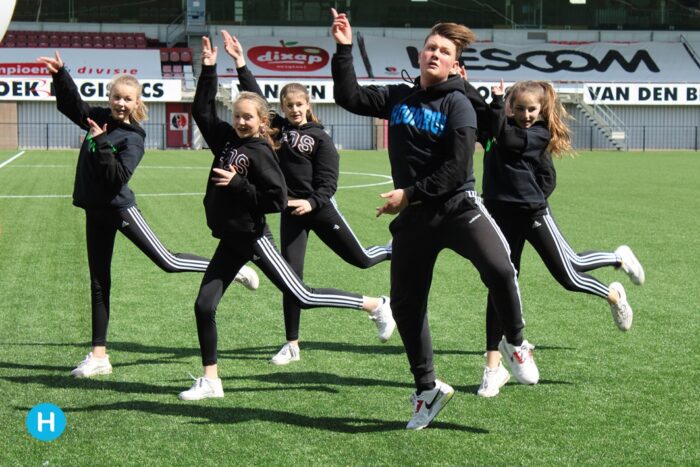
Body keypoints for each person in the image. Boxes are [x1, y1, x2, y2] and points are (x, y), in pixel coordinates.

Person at [330, 10, 538, 430]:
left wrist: (409, 193)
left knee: (501, 268)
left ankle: (515, 343)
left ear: (454, 64)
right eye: (430, 47)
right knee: (406, 306)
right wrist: (344, 49)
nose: (434, 54)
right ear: (420, 54)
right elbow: (348, 97)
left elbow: (456, 168)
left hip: (457, 207)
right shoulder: (400, 98)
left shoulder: (458, 103)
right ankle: (427, 390)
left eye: (443, 51)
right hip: (415, 219)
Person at [179, 36, 394, 401]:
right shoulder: (228, 140)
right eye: (237, 116)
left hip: (257, 237)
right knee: (204, 305)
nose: (241, 121)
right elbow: (202, 112)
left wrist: (240, 184)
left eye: (248, 117)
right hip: (231, 238)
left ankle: (375, 304)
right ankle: (212, 379)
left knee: (304, 294)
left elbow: (276, 198)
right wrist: (211, 68)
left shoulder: (264, 150)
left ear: (263, 122)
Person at [36, 51, 260, 379]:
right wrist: (61, 75)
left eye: (127, 99)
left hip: (119, 209)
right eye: (116, 97)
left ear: (136, 102)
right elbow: (73, 106)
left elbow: (116, 178)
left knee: (167, 261)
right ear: (109, 97)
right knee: (99, 282)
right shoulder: (99, 118)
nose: (120, 103)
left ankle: (234, 269)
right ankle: (99, 356)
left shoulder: (134, 138)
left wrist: (102, 143)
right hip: (94, 210)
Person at [462, 79, 645, 398]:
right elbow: (484, 118)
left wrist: (532, 197)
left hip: (532, 214)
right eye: (520, 109)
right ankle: (492, 369)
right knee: (499, 286)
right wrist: (462, 82)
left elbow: (513, 143)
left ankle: (615, 284)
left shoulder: (537, 133)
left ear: (541, 109)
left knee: (569, 274)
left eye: (532, 109)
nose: (526, 115)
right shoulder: (498, 122)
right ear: (510, 107)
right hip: (499, 216)